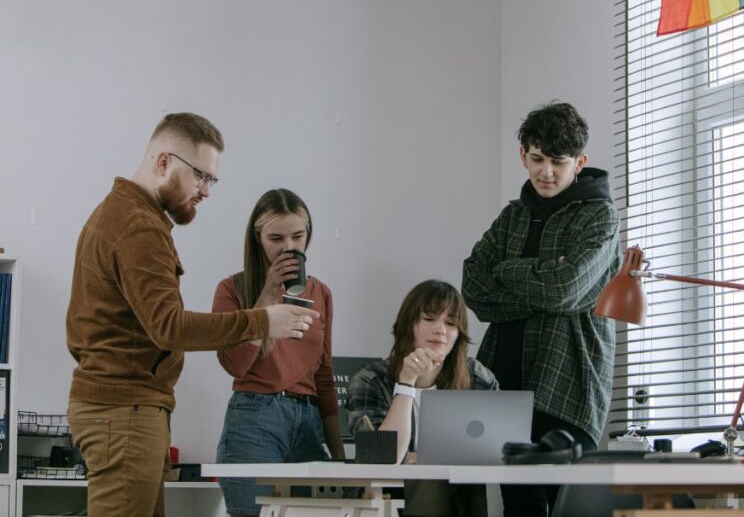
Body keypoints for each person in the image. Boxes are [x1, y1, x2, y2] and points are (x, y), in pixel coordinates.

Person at [66, 112, 318, 517]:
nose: (205, 191)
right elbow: (170, 327)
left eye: (212, 180)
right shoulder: (138, 226)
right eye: (200, 176)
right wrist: (264, 320)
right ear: (164, 161)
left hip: (128, 410)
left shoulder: (123, 215)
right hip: (125, 412)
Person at [462, 101, 620, 516]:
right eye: (537, 159)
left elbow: (564, 289)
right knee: (518, 510)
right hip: (503, 386)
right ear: (523, 156)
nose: (545, 172)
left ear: (579, 162)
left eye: (558, 161)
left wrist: (506, 269)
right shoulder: (512, 216)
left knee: (570, 508)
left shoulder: (600, 218)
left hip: (567, 386)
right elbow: (473, 287)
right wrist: (545, 281)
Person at [213, 188, 344, 516]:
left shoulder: (321, 293)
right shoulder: (232, 289)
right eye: (276, 238)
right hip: (255, 417)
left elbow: (324, 375)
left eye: (298, 236)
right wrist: (269, 294)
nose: (289, 248)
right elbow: (234, 365)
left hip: (309, 421)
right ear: (258, 239)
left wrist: (340, 457)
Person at [346, 280, 497, 517]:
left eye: (451, 323)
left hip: (460, 501)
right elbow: (382, 460)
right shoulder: (370, 380)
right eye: (429, 319)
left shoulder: (477, 378)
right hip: (387, 499)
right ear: (409, 324)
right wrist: (406, 384)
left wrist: (430, 457)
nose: (441, 330)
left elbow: (495, 449)